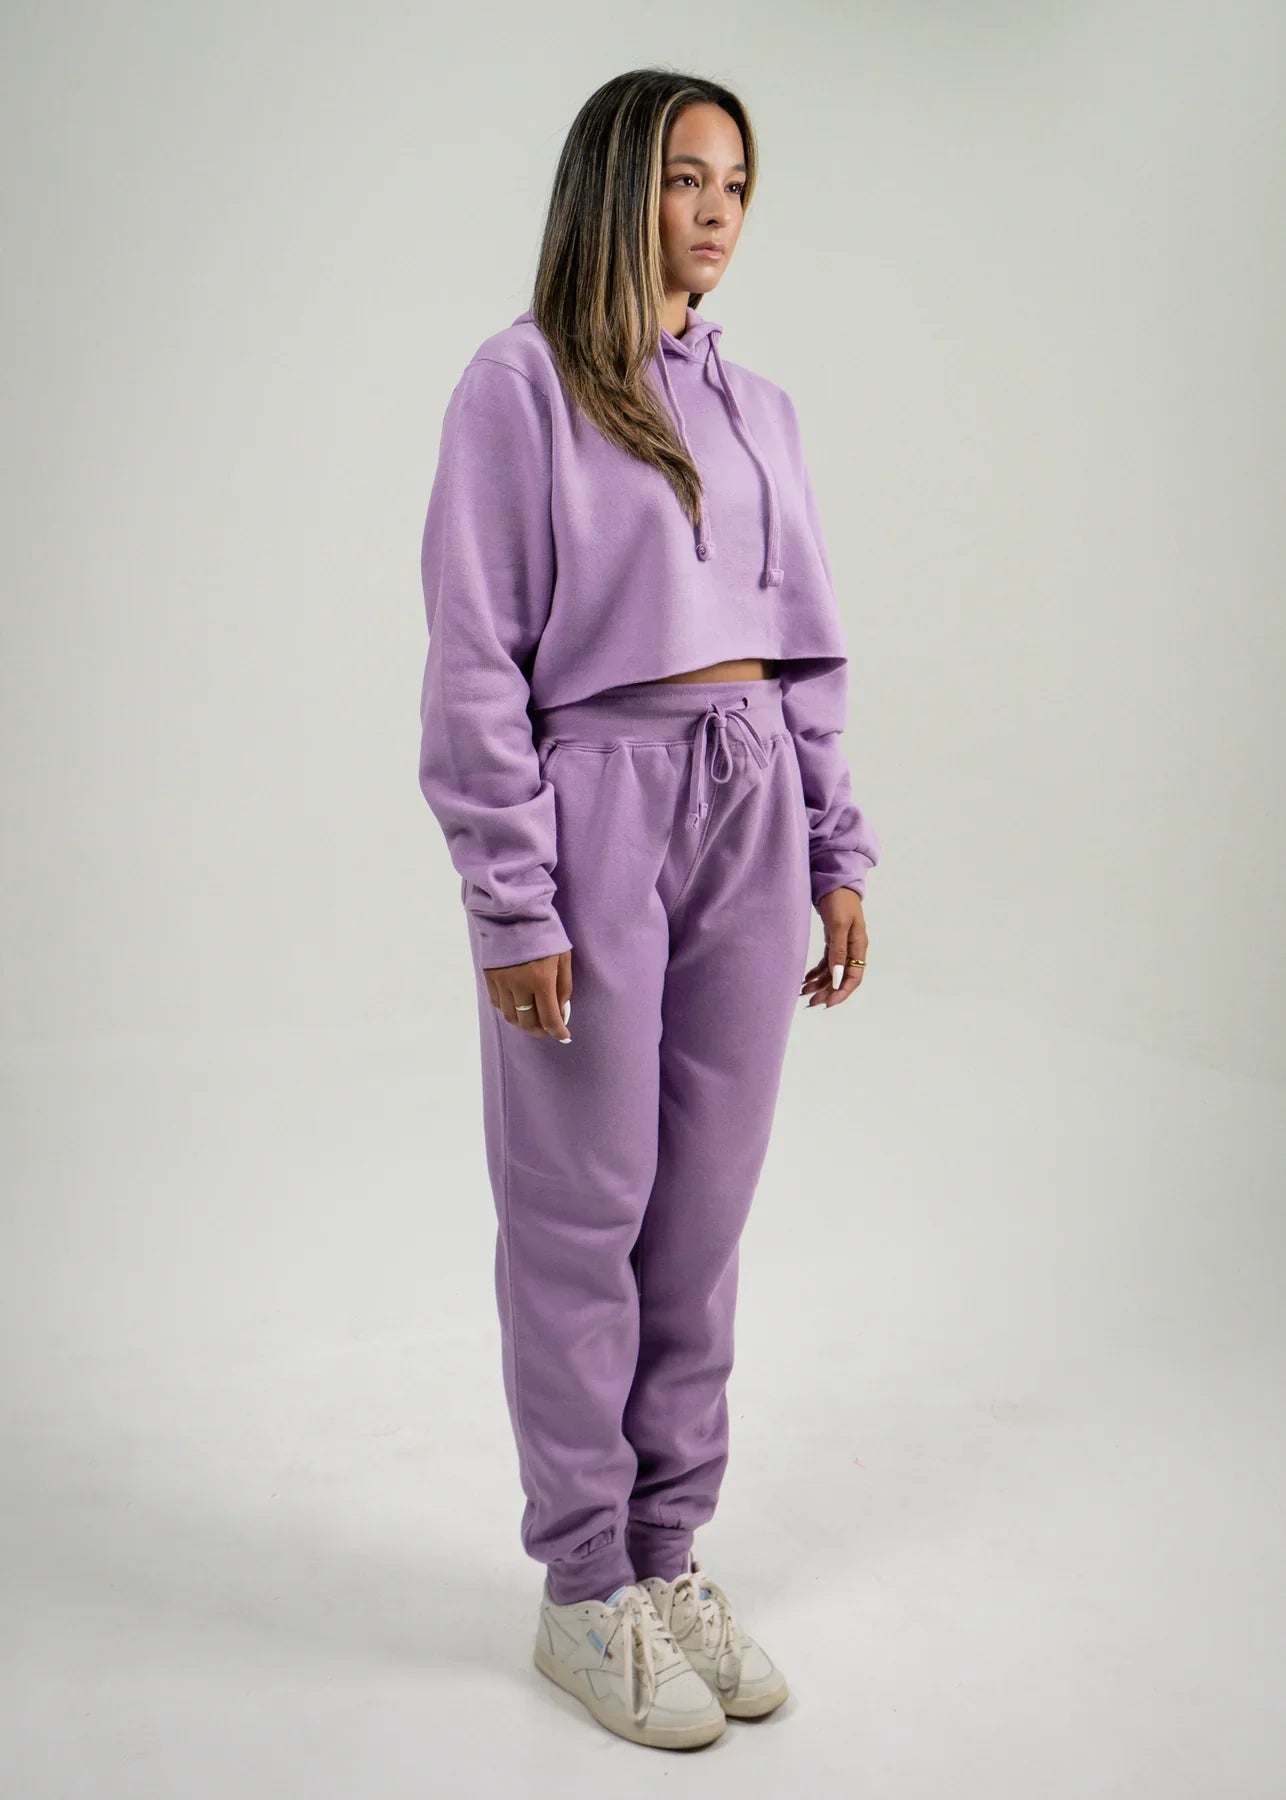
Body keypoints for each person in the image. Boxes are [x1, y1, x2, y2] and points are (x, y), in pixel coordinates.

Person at [416, 68, 882, 1752]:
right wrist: (511, 898)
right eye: (686, 177)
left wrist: (834, 845)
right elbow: (476, 655)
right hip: (596, 801)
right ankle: (582, 1584)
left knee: (699, 1212)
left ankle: (668, 1551)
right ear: (616, 186)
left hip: (747, 795)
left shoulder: (760, 408)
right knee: (581, 1205)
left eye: (736, 184)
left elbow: (805, 645)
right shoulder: (519, 385)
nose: (715, 211)